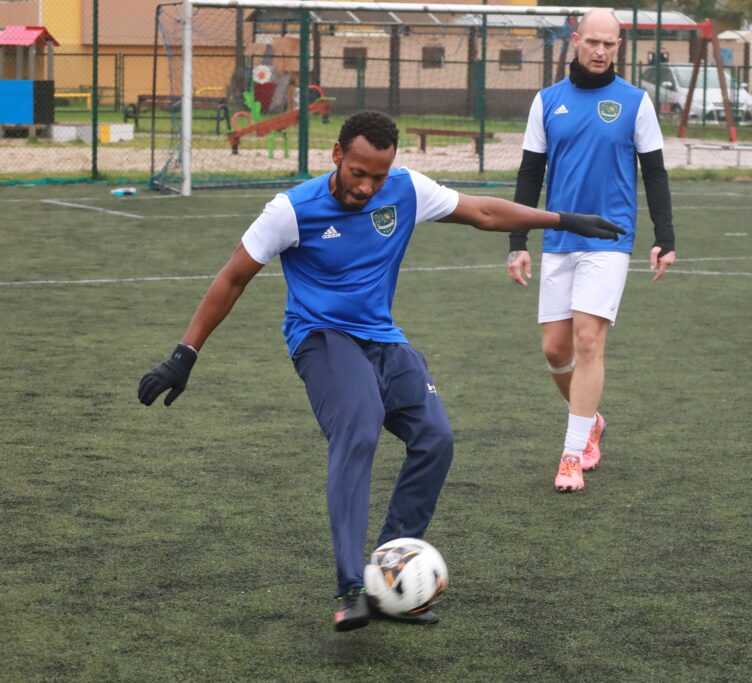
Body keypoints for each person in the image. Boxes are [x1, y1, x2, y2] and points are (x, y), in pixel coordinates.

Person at [137, 110, 623, 632]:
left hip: (383, 338)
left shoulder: (406, 190)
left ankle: (385, 581)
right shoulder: (291, 210)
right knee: (360, 425)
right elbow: (233, 277)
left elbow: (482, 211)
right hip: (321, 337)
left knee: (435, 438)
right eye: (358, 173)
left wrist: (562, 220)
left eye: (378, 176)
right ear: (337, 155)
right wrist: (185, 354)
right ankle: (350, 587)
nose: (367, 187)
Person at [505, 8, 676, 493]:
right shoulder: (547, 101)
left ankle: (571, 455)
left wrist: (665, 236)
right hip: (559, 237)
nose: (600, 51)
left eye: (609, 44)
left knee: (586, 342)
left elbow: (655, 173)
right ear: (576, 40)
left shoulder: (636, 102)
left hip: (609, 239)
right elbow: (530, 173)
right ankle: (591, 421)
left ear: (619, 46)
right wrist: (518, 242)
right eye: (592, 42)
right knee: (554, 349)